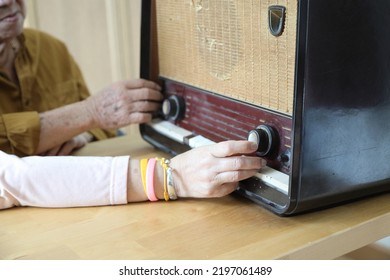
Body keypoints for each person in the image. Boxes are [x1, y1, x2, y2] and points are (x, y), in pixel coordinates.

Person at [0, 0, 266, 210]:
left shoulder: (51, 49)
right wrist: (173, 179)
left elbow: (102, 132)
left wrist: (81, 131)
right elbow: (11, 176)